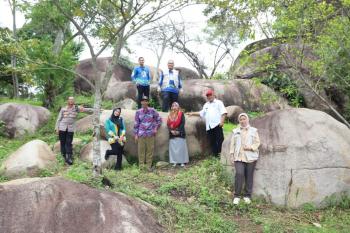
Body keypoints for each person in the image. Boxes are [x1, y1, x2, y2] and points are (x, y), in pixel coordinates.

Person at [230, 113, 260, 205]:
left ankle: (247, 196)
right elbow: (232, 144)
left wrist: (250, 147)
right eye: (241, 119)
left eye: (244, 119)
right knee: (239, 174)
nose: (243, 121)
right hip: (238, 157)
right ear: (239, 121)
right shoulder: (235, 131)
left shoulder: (254, 131)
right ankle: (237, 196)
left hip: (250, 157)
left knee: (249, 176)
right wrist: (231, 154)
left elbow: (257, 142)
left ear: (247, 120)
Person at [187, 89, 227, 157]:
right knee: (212, 141)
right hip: (209, 126)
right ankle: (216, 156)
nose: (209, 96)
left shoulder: (218, 102)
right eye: (207, 96)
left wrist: (222, 122)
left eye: (210, 95)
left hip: (217, 125)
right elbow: (201, 113)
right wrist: (192, 113)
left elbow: (224, 112)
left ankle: (223, 155)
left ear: (213, 95)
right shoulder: (206, 104)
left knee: (220, 140)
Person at [55, 96, 92, 165]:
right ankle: (64, 156)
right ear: (68, 101)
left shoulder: (76, 109)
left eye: (72, 100)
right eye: (70, 100)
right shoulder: (63, 109)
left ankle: (69, 157)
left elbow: (86, 110)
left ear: (74, 101)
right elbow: (59, 119)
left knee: (69, 142)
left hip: (70, 129)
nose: (71, 101)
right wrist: (56, 128)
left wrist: (96, 110)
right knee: (62, 142)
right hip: (62, 128)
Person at [133, 95, 162, 170]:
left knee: (150, 150)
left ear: (148, 102)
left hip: (150, 133)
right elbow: (136, 124)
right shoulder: (138, 112)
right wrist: (136, 134)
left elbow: (159, 120)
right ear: (141, 102)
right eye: (143, 101)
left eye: (146, 101)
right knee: (141, 150)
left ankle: (148, 166)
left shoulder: (152, 110)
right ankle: (141, 166)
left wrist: (155, 128)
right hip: (141, 134)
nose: (144, 102)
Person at [167, 102, 189, 167]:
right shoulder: (170, 115)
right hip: (172, 134)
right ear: (171, 107)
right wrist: (171, 131)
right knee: (174, 148)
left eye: (175, 105)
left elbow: (183, 123)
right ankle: (174, 161)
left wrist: (178, 131)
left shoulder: (181, 114)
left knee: (181, 148)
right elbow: (168, 124)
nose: (174, 107)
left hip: (180, 133)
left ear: (178, 107)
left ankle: (182, 162)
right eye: (173, 105)